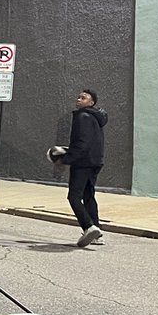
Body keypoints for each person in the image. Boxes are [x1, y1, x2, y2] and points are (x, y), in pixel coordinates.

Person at [49, 88, 108, 247]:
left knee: (74, 197)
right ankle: (96, 235)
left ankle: (89, 227)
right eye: (79, 97)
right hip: (95, 162)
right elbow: (89, 142)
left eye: (83, 98)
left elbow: (82, 143)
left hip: (82, 163)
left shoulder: (82, 116)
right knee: (89, 196)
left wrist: (66, 159)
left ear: (92, 102)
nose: (79, 99)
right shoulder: (96, 118)